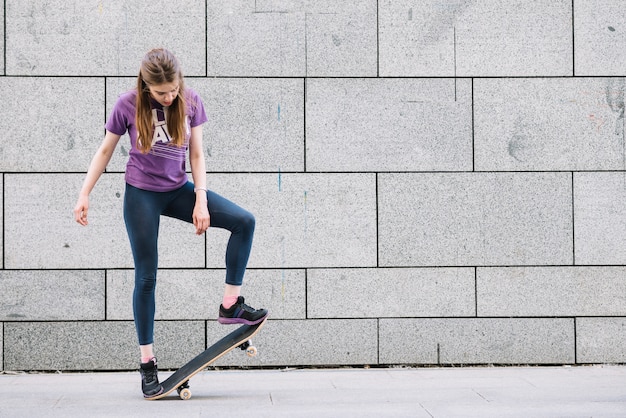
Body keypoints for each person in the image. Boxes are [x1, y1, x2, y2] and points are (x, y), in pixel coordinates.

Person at [73, 48, 268, 398]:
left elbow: (196, 154)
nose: (170, 96)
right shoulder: (127, 104)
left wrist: (201, 198)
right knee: (147, 275)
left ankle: (230, 305)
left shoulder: (191, 101)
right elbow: (104, 151)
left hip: (178, 190)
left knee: (244, 221)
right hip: (141, 196)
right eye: (162, 93)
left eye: (174, 89)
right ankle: (147, 365)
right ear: (147, 87)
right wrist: (84, 193)